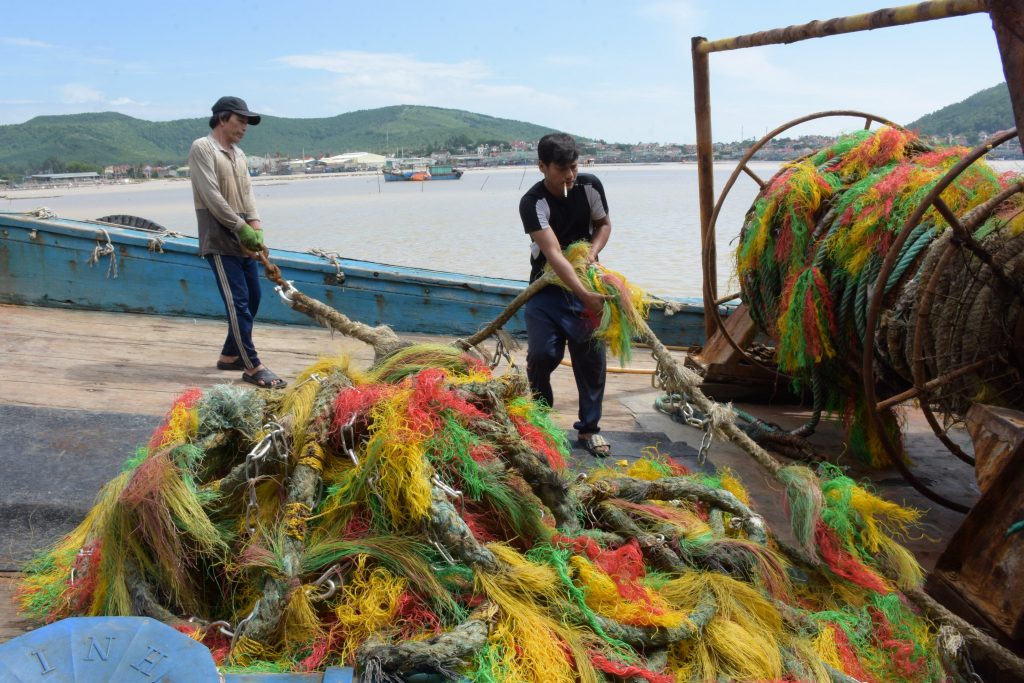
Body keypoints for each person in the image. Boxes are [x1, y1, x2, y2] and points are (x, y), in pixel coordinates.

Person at [519, 133, 611, 457]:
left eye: (574, 167)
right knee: (543, 355)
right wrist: (584, 294)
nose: (570, 176)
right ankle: (542, 423)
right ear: (542, 167)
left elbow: (603, 225)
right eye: (562, 170)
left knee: (591, 359)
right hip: (546, 289)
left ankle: (589, 429)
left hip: (587, 280)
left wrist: (592, 254)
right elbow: (554, 254)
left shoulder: (590, 186)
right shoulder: (532, 203)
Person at [189, 95, 287, 389]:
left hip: (243, 233)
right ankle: (252, 365)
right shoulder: (203, 148)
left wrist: (255, 226)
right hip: (220, 236)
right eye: (240, 120)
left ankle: (230, 354)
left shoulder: (238, 154)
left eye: (247, 122)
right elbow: (211, 196)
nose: (244, 127)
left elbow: (247, 194)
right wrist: (241, 227)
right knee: (238, 303)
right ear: (222, 118)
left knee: (253, 298)